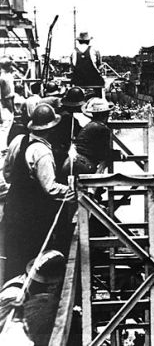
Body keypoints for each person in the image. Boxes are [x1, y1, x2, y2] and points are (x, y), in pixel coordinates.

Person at [1, 103, 75, 279]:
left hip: (13, 206)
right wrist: (72, 191)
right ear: (51, 128)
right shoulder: (42, 152)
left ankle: (10, 291)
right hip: (33, 215)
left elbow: (8, 173)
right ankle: (31, 295)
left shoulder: (17, 141)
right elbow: (50, 188)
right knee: (34, 255)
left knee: (14, 256)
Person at [61, 97, 121, 178]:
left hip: (72, 161)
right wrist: (118, 154)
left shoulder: (90, 125)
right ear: (105, 114)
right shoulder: (102, 128)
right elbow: (104, 154)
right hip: (83, 164)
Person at [0, 56, 16, 129]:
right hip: (7, 98)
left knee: (9, 113)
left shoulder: (6, 76)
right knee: (9, 113)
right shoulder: (5, 77)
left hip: (8, 97)